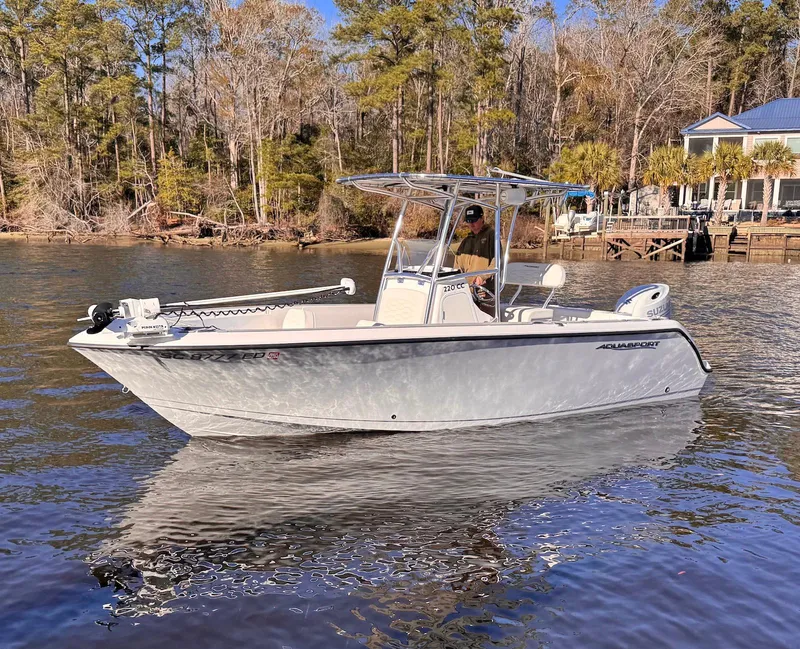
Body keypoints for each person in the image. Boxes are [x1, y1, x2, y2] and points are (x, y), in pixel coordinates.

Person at [455, 204, 496, 292]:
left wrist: (482, 277)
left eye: (474, 220)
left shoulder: (492, 235)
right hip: (466, 290)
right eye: (469, 221)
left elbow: (497, 261)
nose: (471, 224)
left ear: (482, 219)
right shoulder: (466, 240)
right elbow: (457, 264)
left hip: (484, 291)